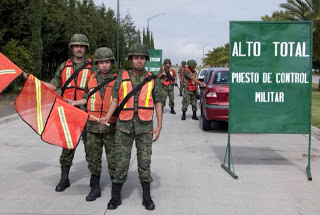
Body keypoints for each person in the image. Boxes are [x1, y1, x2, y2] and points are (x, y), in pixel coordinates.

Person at [101, 43, 162, 211]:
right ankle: (115, 196)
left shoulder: (152, 78)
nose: (139, 61)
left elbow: (158, 103)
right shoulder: (121, 77)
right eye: (136, 58)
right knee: (120, 162)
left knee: (145, 162)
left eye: (142, 58)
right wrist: (107, 116)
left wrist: (159, 126)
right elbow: (114, 99)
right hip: (124, 126)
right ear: (131, 59)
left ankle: (147, 197)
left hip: (145, 127)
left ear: (146, 60)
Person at [41, 34, 93, 192]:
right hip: (68, 114)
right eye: (76, 46)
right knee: (67, 147)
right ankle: (64, 179)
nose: (79, 48)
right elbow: (53, 85)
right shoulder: (64, 66)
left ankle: (94, 181)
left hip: (86, 114)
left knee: (91, 149)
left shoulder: (94, 67)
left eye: (82, 46)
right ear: (72, 48)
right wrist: (35, 81)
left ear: (85, 48)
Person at [66, 47, 117, 201]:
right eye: (101, 62)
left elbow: (119, 100)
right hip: (92, 127)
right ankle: (95, 188)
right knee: (93, 159)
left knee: (113, 159)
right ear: (97, 63)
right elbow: (86, 98)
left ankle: (116, 191)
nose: (104, 65)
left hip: (110, 127)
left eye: (107, 62)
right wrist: (75, 102)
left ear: (111, 63)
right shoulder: (91, 79)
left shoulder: (117, 80)